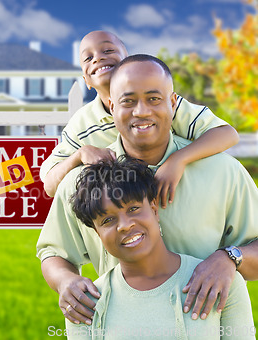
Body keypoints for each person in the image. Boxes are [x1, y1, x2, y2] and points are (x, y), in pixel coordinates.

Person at [36, 54, 258, 327]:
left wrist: (230, 258)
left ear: (173, 102)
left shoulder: (224, 172)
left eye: (154, 99)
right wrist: (65, 281)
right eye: (128, 101)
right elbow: (53, 252)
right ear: (111, 105)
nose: (141, 111)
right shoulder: (82, 183)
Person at [40, 31, 239, 211]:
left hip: (178, 200)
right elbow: (49, 184)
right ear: (86, 81)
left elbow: (226, 134)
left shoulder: (162, 104)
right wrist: (79, 155)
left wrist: (178, 159)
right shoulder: (82, 124)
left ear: (128, 61)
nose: (98, 58)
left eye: (108, 50)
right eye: (88, 58)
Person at [65, 157, 255, 340]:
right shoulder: (84, 303)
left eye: (133, 209)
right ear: (98, 234)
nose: (124, 225)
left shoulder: (219, 282)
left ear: (154, 210)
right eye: (107, 220)